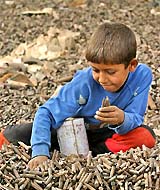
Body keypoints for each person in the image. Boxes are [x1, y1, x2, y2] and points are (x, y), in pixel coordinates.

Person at [0, 22, 156, 169]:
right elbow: (46, 113)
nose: (101, 79)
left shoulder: (142, 76)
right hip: (70, 130)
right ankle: (76, 152)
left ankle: (92, 155)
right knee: (10, 135)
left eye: (110, 72)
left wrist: (122, 118)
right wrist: (40, 152)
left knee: (146, 136)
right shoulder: (84, 82)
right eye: (96, 70)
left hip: (108, 134)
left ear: (132, 65)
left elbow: (135, 117)